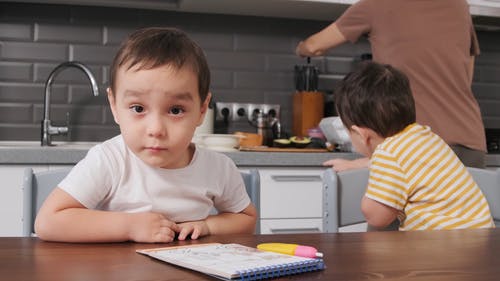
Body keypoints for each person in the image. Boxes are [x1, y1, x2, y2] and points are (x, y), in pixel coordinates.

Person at [34, 27, 257, 243]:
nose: (156, 129)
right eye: (138, 109)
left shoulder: (218, 168)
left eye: (175, 110)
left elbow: (246, 219)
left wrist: (208, 225)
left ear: (201, 110)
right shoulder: (109, 160)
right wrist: (130, 226)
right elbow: (48, 222)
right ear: (114, 105)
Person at [296, 0, 486, 170]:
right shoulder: (458, 6)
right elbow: (467, 74)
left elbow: (314, 46)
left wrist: (300, 48)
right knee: (465, 209)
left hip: (416, 145)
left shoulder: (376, 5)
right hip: (470, 141)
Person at [334, 61, 494, 230]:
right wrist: (354, 165)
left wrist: (369, 195)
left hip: (445, 249)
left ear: (360, 134)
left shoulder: (388, 154)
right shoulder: (424, 136)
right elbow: (403, 166)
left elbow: (377, 218)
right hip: (482, 242)